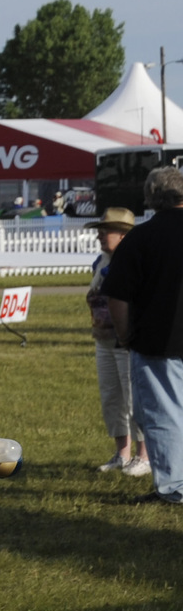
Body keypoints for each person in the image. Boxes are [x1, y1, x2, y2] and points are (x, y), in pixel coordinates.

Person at [103, 165, 183, 504]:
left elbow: (117, 296)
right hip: (160, 340)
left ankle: (173, 487)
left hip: (158, 340)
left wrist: (124, 335)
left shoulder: (141, 238)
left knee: (164, 417)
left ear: (151, 198)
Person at [85, 208, 147, 474]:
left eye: (105, 230)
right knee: (112, 397)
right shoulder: (101, 261)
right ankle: (122, 453)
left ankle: (144, 456)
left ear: (122, 235)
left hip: (127, 342)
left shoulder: (134, 261)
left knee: (134, 399)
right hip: (104, 340)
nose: (99, 234)